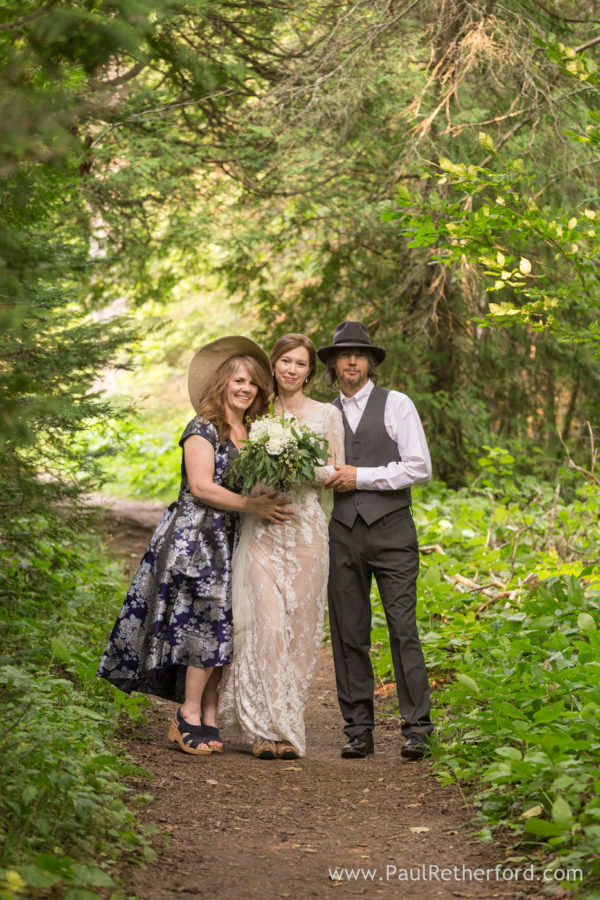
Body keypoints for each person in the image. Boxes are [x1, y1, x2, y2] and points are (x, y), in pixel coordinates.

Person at [97, 336, 291, 756]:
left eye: (253, 384)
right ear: (222, 382)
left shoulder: (255, 432)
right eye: (238, 380)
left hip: (234, 537)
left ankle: (209, 715)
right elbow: (202, 487)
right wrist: (252, 505)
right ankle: (186, 714)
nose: (245, 388)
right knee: (202, 624)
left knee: (228, 627)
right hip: (196, 538)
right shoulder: (202, 427)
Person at [219, 333, 345, 759]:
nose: (292, 369)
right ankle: (260, 730)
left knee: (299, 632)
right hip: (263, 528)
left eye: (301, 364)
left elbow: (334, 472)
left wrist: (296, 457)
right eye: (285, 361)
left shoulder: (327, 414)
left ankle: (285, 726)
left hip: (306, 529)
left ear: (311, 371)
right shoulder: (254, 410)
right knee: (265, 628)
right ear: (273, 364)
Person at [319, 321, 434, 760]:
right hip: (342, 533)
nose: (351, 361)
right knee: (349, 633)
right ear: (332, 364)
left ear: (369, 362)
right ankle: (358, 729)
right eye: (343, 355)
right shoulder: (323, 414)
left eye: (359, 355)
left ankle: (418, 728)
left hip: (392, 531)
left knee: (404, 629)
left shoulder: (396, 404)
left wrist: (360, 477)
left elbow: (418, 467)